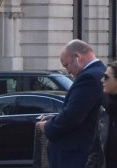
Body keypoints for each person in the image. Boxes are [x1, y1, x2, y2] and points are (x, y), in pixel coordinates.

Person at [40, 39, 105, 168]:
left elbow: (73, 115)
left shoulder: (89, 77)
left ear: (77, 57)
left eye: (66, 65)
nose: (68, 71)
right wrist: (55, 119)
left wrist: (47, 127)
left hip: (76, 154)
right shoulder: (100, 72)